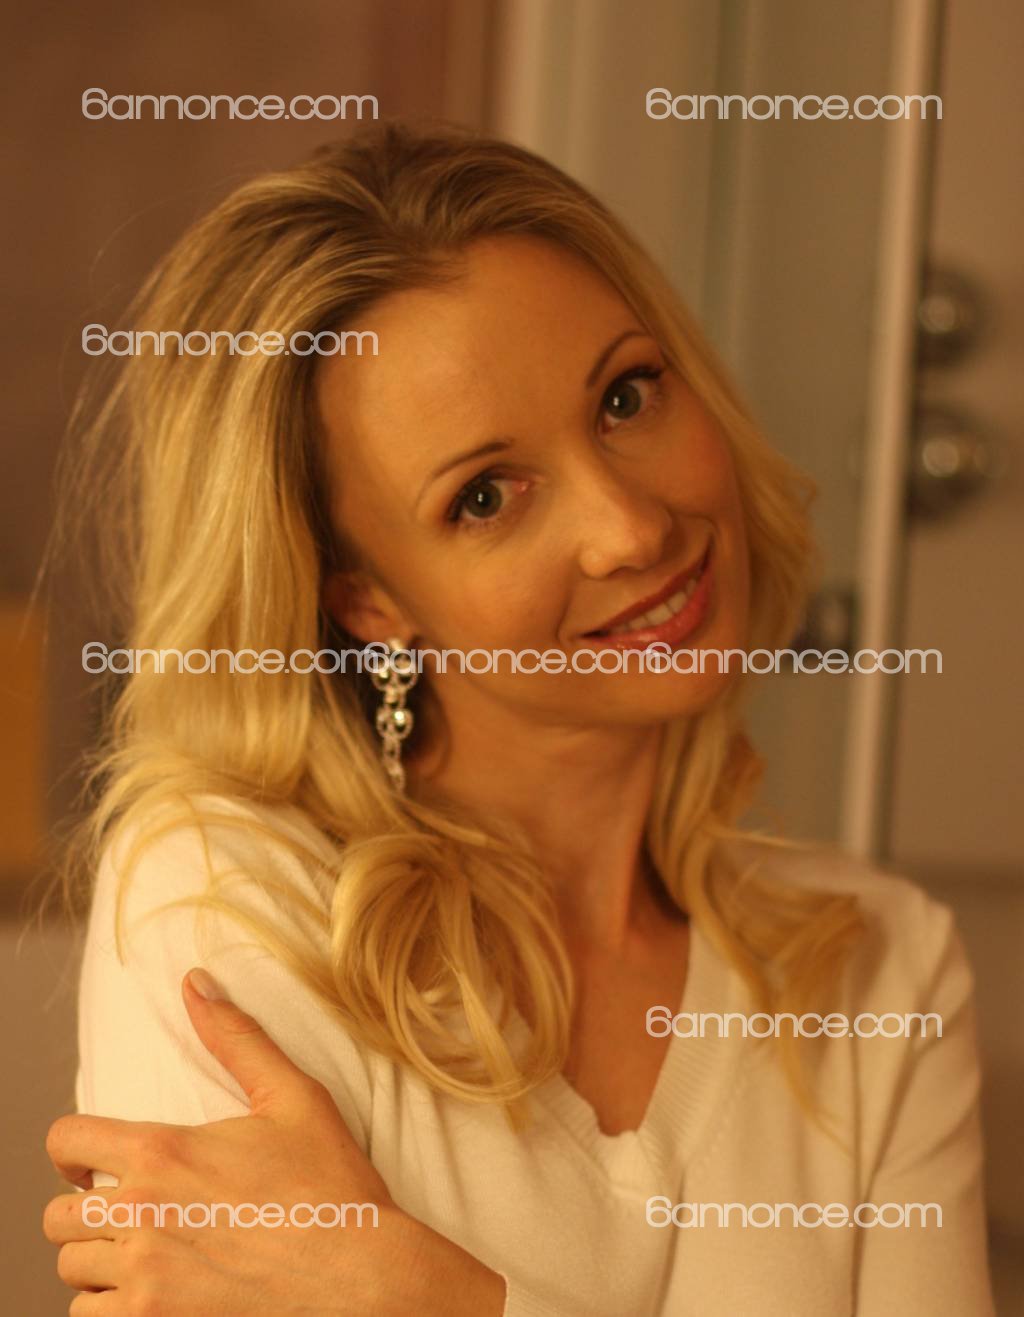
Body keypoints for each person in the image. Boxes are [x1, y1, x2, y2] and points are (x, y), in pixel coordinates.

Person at [42, 120, 995, 1314]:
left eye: (625, 398)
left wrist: (433, 1300)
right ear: (365, 601)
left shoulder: (882, 966)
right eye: (485, 497)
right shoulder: (228, 903)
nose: (631, 529)